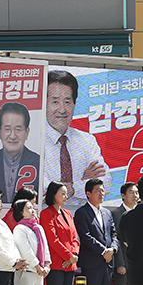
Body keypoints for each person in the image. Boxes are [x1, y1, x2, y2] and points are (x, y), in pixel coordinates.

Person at [43, 69, 110, 210]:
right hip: (47, 217)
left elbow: (105, 184)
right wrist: (83, 183)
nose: (62, 109)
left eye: (67, 102)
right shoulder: (33, 140)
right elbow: (44, 191)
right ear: (44, 103)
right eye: (55, 102)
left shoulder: (86, 140)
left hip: (83, 218)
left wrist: (73, 188)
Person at [74, 177, 118, 285]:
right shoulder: (82, 212)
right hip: (92, 263)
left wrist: (112, 250)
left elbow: (114, 234)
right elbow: (85, 236)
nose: (102, 193)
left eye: (102, 190)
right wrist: (103, 251)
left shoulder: (107, 213)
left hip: (107, 263)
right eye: (97, 191)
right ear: (88, 194)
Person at [40, 181, 79, 285]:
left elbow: (75, 237)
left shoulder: (68, 213)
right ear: (53, 194)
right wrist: (69, 256)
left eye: (66, 193)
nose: (65, 196)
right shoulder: (46, 213)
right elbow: (52, 239)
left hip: (69, 264)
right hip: (57, 262)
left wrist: (73, 256)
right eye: (62, 193)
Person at [0, 102, 42, 203]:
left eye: (18, 129)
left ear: (27, 132)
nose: (12, 136)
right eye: (7, 129)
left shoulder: (39, 162)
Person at [107, 181, 138, 285]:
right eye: (131, 192)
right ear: (123, 196)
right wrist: (120, 264)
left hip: (139, 265)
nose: (135, 196)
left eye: (137, 192)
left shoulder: (140, 213)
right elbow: (117, 240)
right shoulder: (116, 214)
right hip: (124, 264)